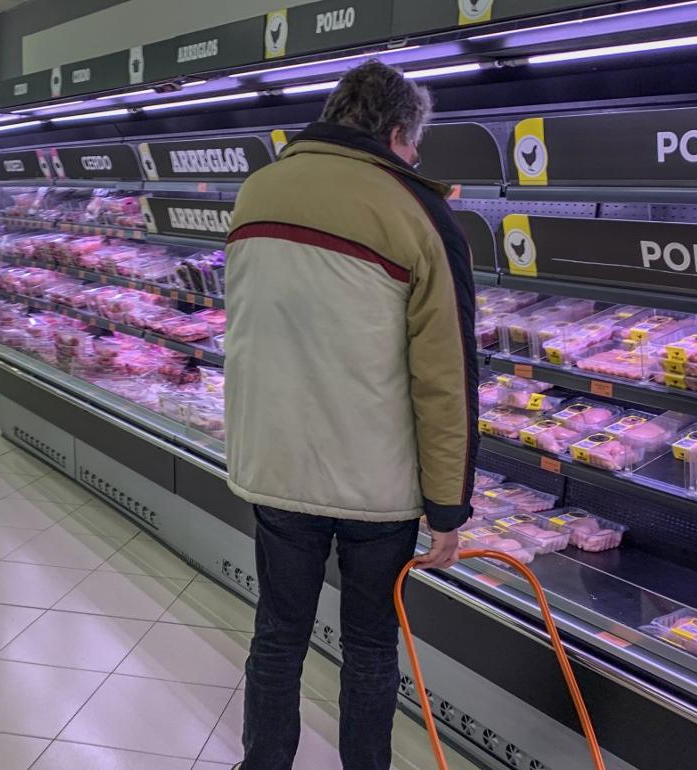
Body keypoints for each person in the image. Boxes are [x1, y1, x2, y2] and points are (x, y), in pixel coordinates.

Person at [224, 60, 478, 770]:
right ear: (396, 132)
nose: (414, 160)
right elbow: (444, 376)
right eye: (414, 147)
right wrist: (448, 506)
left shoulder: (258, 190)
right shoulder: (418, 213)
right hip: (375, 482)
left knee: (277, 634)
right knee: (369, 646)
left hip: (273, 464)